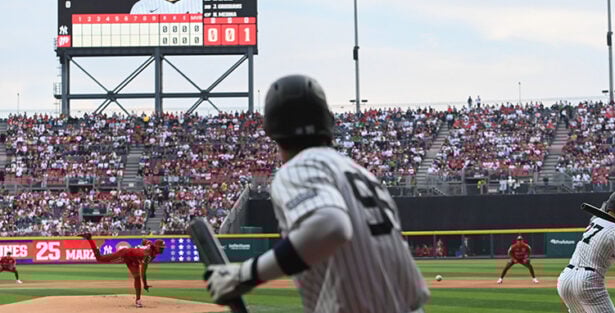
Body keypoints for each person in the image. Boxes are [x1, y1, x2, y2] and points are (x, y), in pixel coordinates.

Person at [205, 75, 430, 313]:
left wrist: (244, 275)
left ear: (272, 130)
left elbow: (330, 225)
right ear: (328, 122)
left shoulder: (298, 167)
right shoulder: (362, 174)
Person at [78, 233, 165, 308]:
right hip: (125, 255)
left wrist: (145, 242)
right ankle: (89, 238)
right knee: (100, 259)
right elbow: (143, 272)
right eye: (160, 248)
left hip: (134, 260)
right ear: (156, 247)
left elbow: (145, 241)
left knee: (137, 277)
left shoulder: (151, 246)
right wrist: (145, 284)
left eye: (163, 248)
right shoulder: (148, 256)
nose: (162, 249)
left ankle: (138, 301)